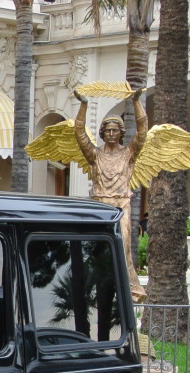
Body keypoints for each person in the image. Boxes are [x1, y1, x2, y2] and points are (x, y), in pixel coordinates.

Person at [73, 88, 147, 296]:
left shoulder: (129, 154)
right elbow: (79, 133)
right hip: (98, 205)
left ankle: (125, 286)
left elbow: (142, 131)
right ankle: (92, 286)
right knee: (94, 247)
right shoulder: (94, 155)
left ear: (122, 132)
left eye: (115, 130)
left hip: (121, 206)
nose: (112, 134)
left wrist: (136, 102)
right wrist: (84, 106)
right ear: (103, 133)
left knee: (122, 243)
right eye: (108, 130)